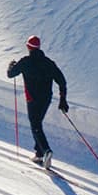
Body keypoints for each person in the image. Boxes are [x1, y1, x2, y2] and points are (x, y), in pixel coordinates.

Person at [7, 35, 69, 166]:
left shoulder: (25, 62)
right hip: (46, 99)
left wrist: (10, 66)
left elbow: (10, 74)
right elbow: (62, 81)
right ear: (39, 47)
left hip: (32, 99)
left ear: (28, 47)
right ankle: (39, 154)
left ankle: (46, 151)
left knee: (35, 125)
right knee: (37, 124)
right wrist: (63, 99)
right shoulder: (48, 63)